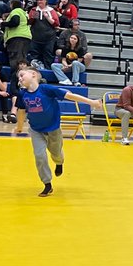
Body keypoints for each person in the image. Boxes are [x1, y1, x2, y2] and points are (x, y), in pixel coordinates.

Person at [14, 68, 102, 197]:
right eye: (18, 77)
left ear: (33, 74)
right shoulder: (22, 94)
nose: (20, 78)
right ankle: (47, 184)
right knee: (39, 156)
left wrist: (91, 102)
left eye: (22, 75)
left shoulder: (46, 89)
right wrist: (19, 127)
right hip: (36, 129)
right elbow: (21, 111)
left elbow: (70, 96)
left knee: (56, 153)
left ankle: (59, 163)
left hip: (53, 128)